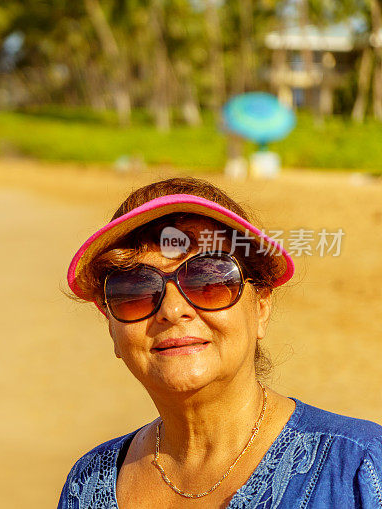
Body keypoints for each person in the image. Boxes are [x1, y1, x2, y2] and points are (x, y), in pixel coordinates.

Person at [58, 177, 382, 508]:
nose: (172, 310)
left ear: (261, 306)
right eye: (135, 290)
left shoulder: (360, 469)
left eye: (208, 280)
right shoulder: (87, 484)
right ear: (111, 327)